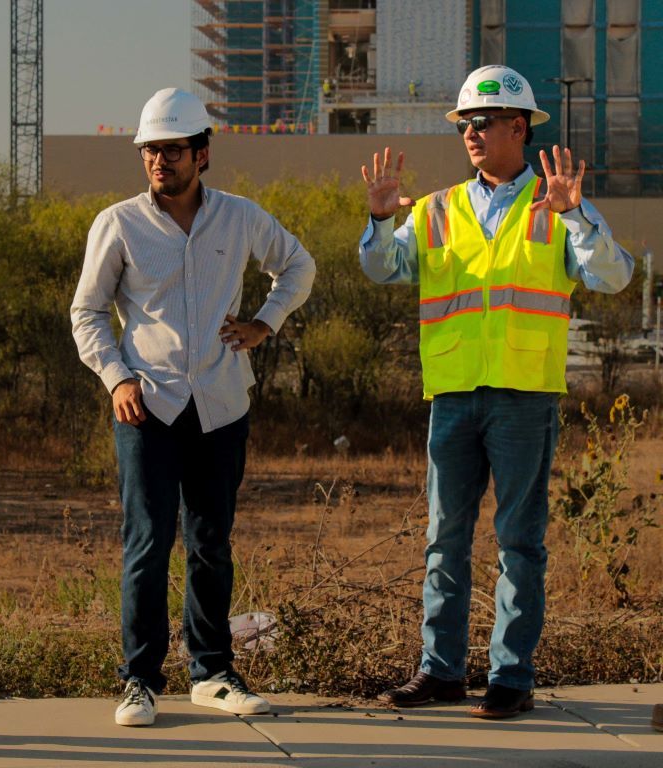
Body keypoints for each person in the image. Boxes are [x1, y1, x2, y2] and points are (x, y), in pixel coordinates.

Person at [359, 65, 634, 719]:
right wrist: (375, 219)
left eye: (483, 123)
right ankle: (442, 672)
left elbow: (615, 278)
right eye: (464, 125)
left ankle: (512, 677)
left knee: (519, 542)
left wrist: (580, 218)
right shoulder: (434, 210)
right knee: (444, 540)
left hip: (523, 396)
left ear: (520, 127)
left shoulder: (556, 205)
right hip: (453, 394)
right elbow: (381, 268)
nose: (472, 134)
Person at [71, 87, 315, 727]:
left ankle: (211, 672)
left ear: (202, 154)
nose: (160, 161)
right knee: (147, 544)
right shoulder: (118, 224)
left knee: (211, 542)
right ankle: (139, 681)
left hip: (221, 405)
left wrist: (265, 323)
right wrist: (116, 378)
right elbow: (88, 312)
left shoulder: (239, 218)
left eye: (173, 150)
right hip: (146, 407)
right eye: (151, 150)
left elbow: (298, 266)